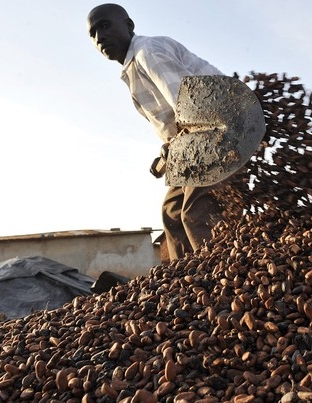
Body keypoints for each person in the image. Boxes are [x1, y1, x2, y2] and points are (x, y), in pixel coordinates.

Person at [87, 3, 224, 261]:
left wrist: (176, 145)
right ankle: (186, 279)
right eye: (93, 34)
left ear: (129, 26)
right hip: (190, 143)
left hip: (219, 128)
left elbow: (193, 105)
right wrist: (170, 147)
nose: (99, 37)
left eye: (104, 26)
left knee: (196, 212)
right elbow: (177, 121)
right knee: (171, 213)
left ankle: (222, 278)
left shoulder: (147, 53)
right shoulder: (132, 69)